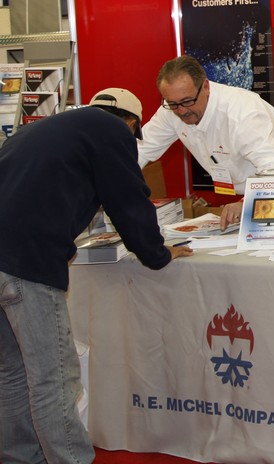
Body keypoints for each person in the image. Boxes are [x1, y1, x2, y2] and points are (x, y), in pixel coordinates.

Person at [0, 87, 192, 464]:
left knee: (12, 374)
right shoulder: (111, 131)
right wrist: (157, 254)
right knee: (54, 379)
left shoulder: (48, 128)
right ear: (130, 123)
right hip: (27, 262)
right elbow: (128, 199)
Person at [138, 56, 274, 229]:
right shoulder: (171, 111)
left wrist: (246, 203)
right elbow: (139, 150)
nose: (182, 111)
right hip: (241, 189)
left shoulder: (240, 113)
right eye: (173, 104)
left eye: (187, 101)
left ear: (206, 87)